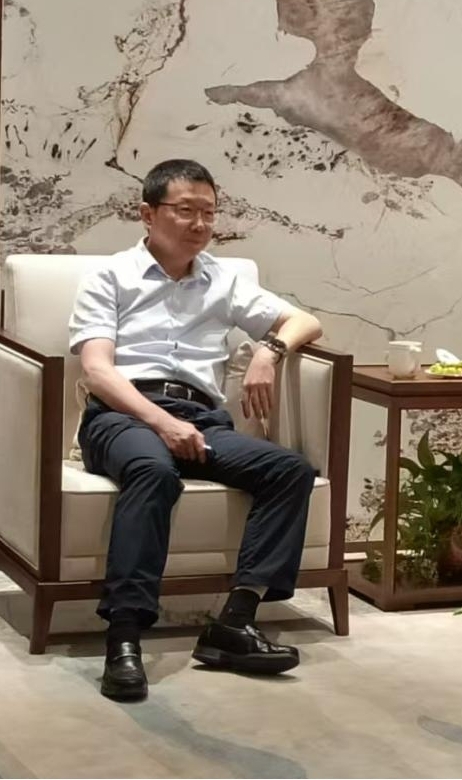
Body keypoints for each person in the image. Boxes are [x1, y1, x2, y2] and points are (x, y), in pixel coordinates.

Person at [70, 159, 325, 700]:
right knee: (152, 470)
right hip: (123, 415)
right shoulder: (111, 276)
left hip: (202, 418)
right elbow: (97, 370)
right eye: (186, 210)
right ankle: (124, 637)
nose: (200, 224)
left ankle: (234, 624)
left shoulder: (223, 280)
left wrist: (268, 351)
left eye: (209, 212)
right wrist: (162, 422)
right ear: (148, 214)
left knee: (288, 471)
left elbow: (306, 321)